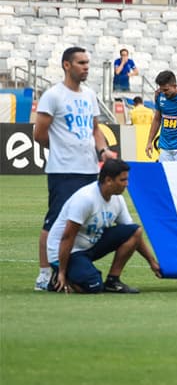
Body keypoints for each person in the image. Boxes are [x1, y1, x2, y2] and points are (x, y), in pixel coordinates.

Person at [33, 47, 118, 291]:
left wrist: (102, 151)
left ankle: (73, 268)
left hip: (90, 170)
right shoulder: (53, 96)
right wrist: (60, 148)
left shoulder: (89, 95)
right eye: (81, 63)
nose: (86, 67)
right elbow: (39, 134)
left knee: (83, 221)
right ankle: (44, 274)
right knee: (55, 221)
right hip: (64, 171)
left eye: (87, 63)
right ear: (66, 65)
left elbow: (95, 130)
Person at [46, 159, 161, 294]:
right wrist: (61, 271)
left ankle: (113, 281)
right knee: (94, 286)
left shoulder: (117, 199)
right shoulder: (85, 199)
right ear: (108, 180)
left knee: (134, 230)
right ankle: (56, 281)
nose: (127, 184)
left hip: (89, 245)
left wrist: (152, 262)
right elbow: (67, 237)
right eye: (122, 180)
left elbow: (134, 234)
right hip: (64, 252)